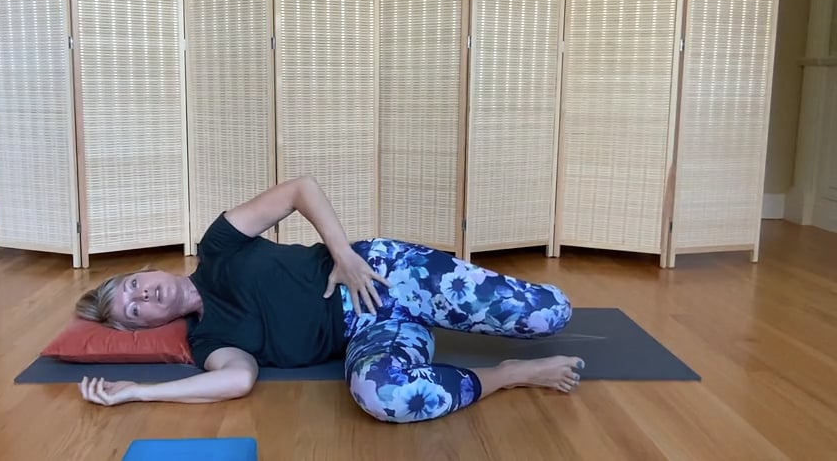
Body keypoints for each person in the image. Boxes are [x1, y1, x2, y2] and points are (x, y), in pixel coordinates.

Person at [75, 176, 583, 423]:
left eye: (132, 287)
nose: (142, 296)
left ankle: (485, 307)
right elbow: (236, 380)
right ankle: (513, 374)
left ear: (145, 270)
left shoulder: (217, 246)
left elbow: (301, 189)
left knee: (552, 314)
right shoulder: (209, 338)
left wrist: (343, 255)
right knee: (383, 397)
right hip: (372, 332)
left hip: (385, 274)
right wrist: (136, 392)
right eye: (134, 311)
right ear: (146, 327)